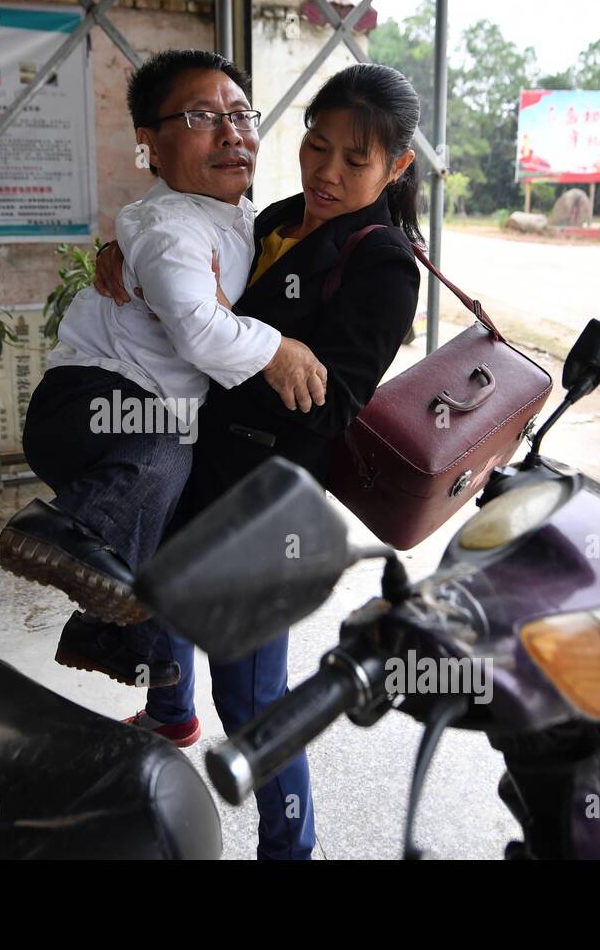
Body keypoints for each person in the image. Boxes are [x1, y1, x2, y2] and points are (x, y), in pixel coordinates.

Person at [94, 62, 424, 859]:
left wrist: (256, 353)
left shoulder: (383, 263)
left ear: (397, 168)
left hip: (258, 505)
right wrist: (124, 252)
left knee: (254, 700)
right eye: (317, 147)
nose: (328, 173)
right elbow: (187, 263)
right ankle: (172, 713)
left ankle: (290, 846)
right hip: (194, 464)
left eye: (356, 160)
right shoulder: (274, 215)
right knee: (159, 600)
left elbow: (333, 401)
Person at [0, 50, 327, 687]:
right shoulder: (170, 227)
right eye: (203, 117)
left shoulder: (243, 221)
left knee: (164, 527)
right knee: (167, 451)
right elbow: (202, 331)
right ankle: (63, 529)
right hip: (91, 403)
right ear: (150, 142)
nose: (232, 133)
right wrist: (278, 349)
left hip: (128, 411)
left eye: (241, 115)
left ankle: (109, 634)